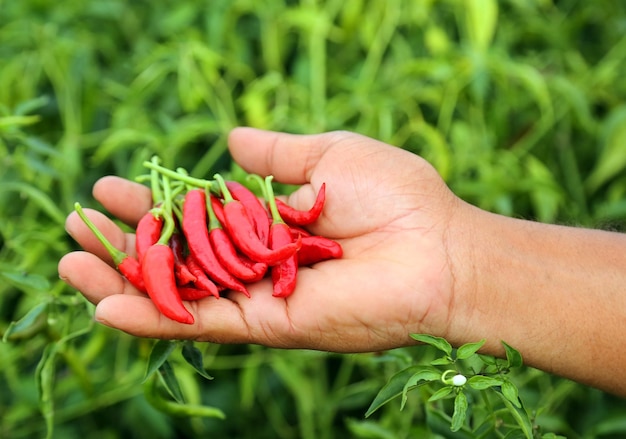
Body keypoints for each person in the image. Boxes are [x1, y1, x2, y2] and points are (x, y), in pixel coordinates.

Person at [58, 128, 626, 397]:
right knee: (212, 259)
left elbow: (264, 251)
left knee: (237, 254)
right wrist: (460, 265)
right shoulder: (198, 236)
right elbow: (238, 259)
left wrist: (456, 260)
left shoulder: (261, 226)